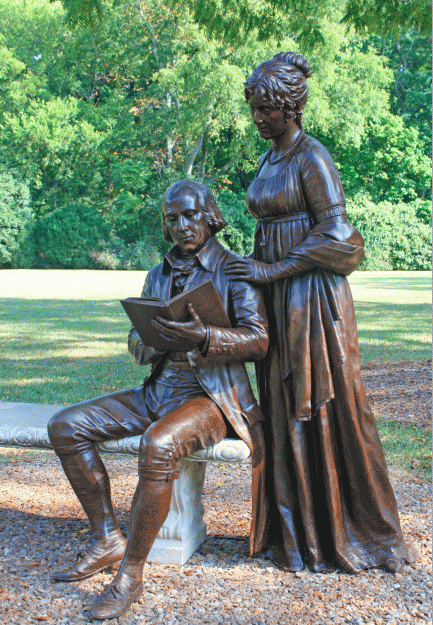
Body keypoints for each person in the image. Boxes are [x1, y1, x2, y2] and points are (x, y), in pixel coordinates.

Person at [226, 52, 416, 574]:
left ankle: (350, 531)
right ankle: (296, 531)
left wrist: (276, 269)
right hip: (274, 293)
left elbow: (340, 235)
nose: (258, 118)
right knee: (282, 402)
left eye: (267, 109)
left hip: (311, 301)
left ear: (290, 107)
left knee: (329, 405)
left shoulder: (313, 158)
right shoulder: (269, 160)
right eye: (254, 109)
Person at [48, 180, 269, 620]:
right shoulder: (159, 272)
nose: (182, 226)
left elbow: (258, 340)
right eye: (172, 219)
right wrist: (149, 342)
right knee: (65, 425)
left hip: (212, 396)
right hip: (159, 388)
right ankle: (108, 537)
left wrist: (203, 336)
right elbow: (136, 336)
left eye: (190, 215)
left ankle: (131, 574)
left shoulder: (236, 270)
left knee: (158, 444)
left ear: (209, 214)